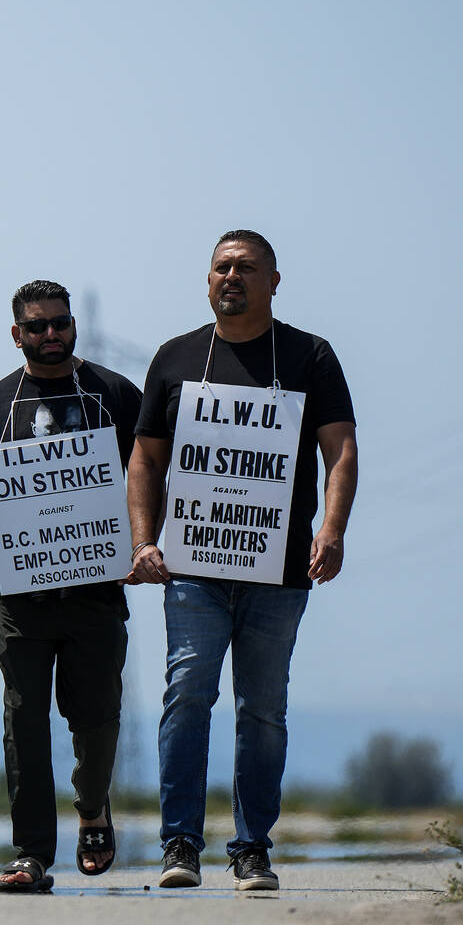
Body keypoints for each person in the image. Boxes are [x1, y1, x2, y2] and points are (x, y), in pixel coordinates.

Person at [126, 230, 357, 891]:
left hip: (279, 572)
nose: (233, 276)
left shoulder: (310, 355)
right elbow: (146, 458)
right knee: (187, 690)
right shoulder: (175, 358)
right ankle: (180, 843)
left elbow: (340, 450)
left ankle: (252, 846)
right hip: (192, 568)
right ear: (207, 280)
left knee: (263, 709)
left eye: (247, 267)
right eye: (222, 266)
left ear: (274, 281)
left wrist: (332, 530)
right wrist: (145, 541)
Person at [0, 281, 140, 893]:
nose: (50, 334)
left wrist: (148, 545)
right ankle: (30, 852)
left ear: (73, 325)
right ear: (16, 333)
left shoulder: (115, 395)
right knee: (23, 719)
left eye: (60, 324)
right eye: (37, 326)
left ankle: (92, 808)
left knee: (97, 716)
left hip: (98, 589)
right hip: (18, 595)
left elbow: (149, 478)